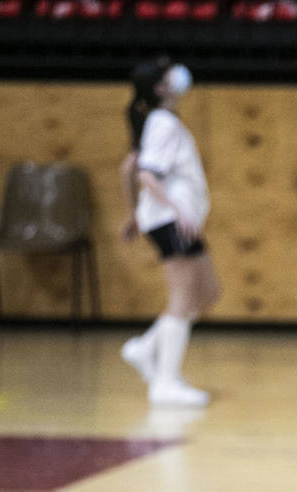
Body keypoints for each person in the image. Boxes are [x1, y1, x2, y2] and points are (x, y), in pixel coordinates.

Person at [118, 56, 220, 408]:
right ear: (161, 87)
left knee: (207, 292)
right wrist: (176, 211)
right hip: (171, 221)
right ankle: (164, 383)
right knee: (183, 296)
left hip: (171, 219)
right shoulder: (162, 122)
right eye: (168, 74)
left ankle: (146, 348)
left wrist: (134, 215)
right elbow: (145, 173)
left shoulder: (160, 122)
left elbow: (127, 167)